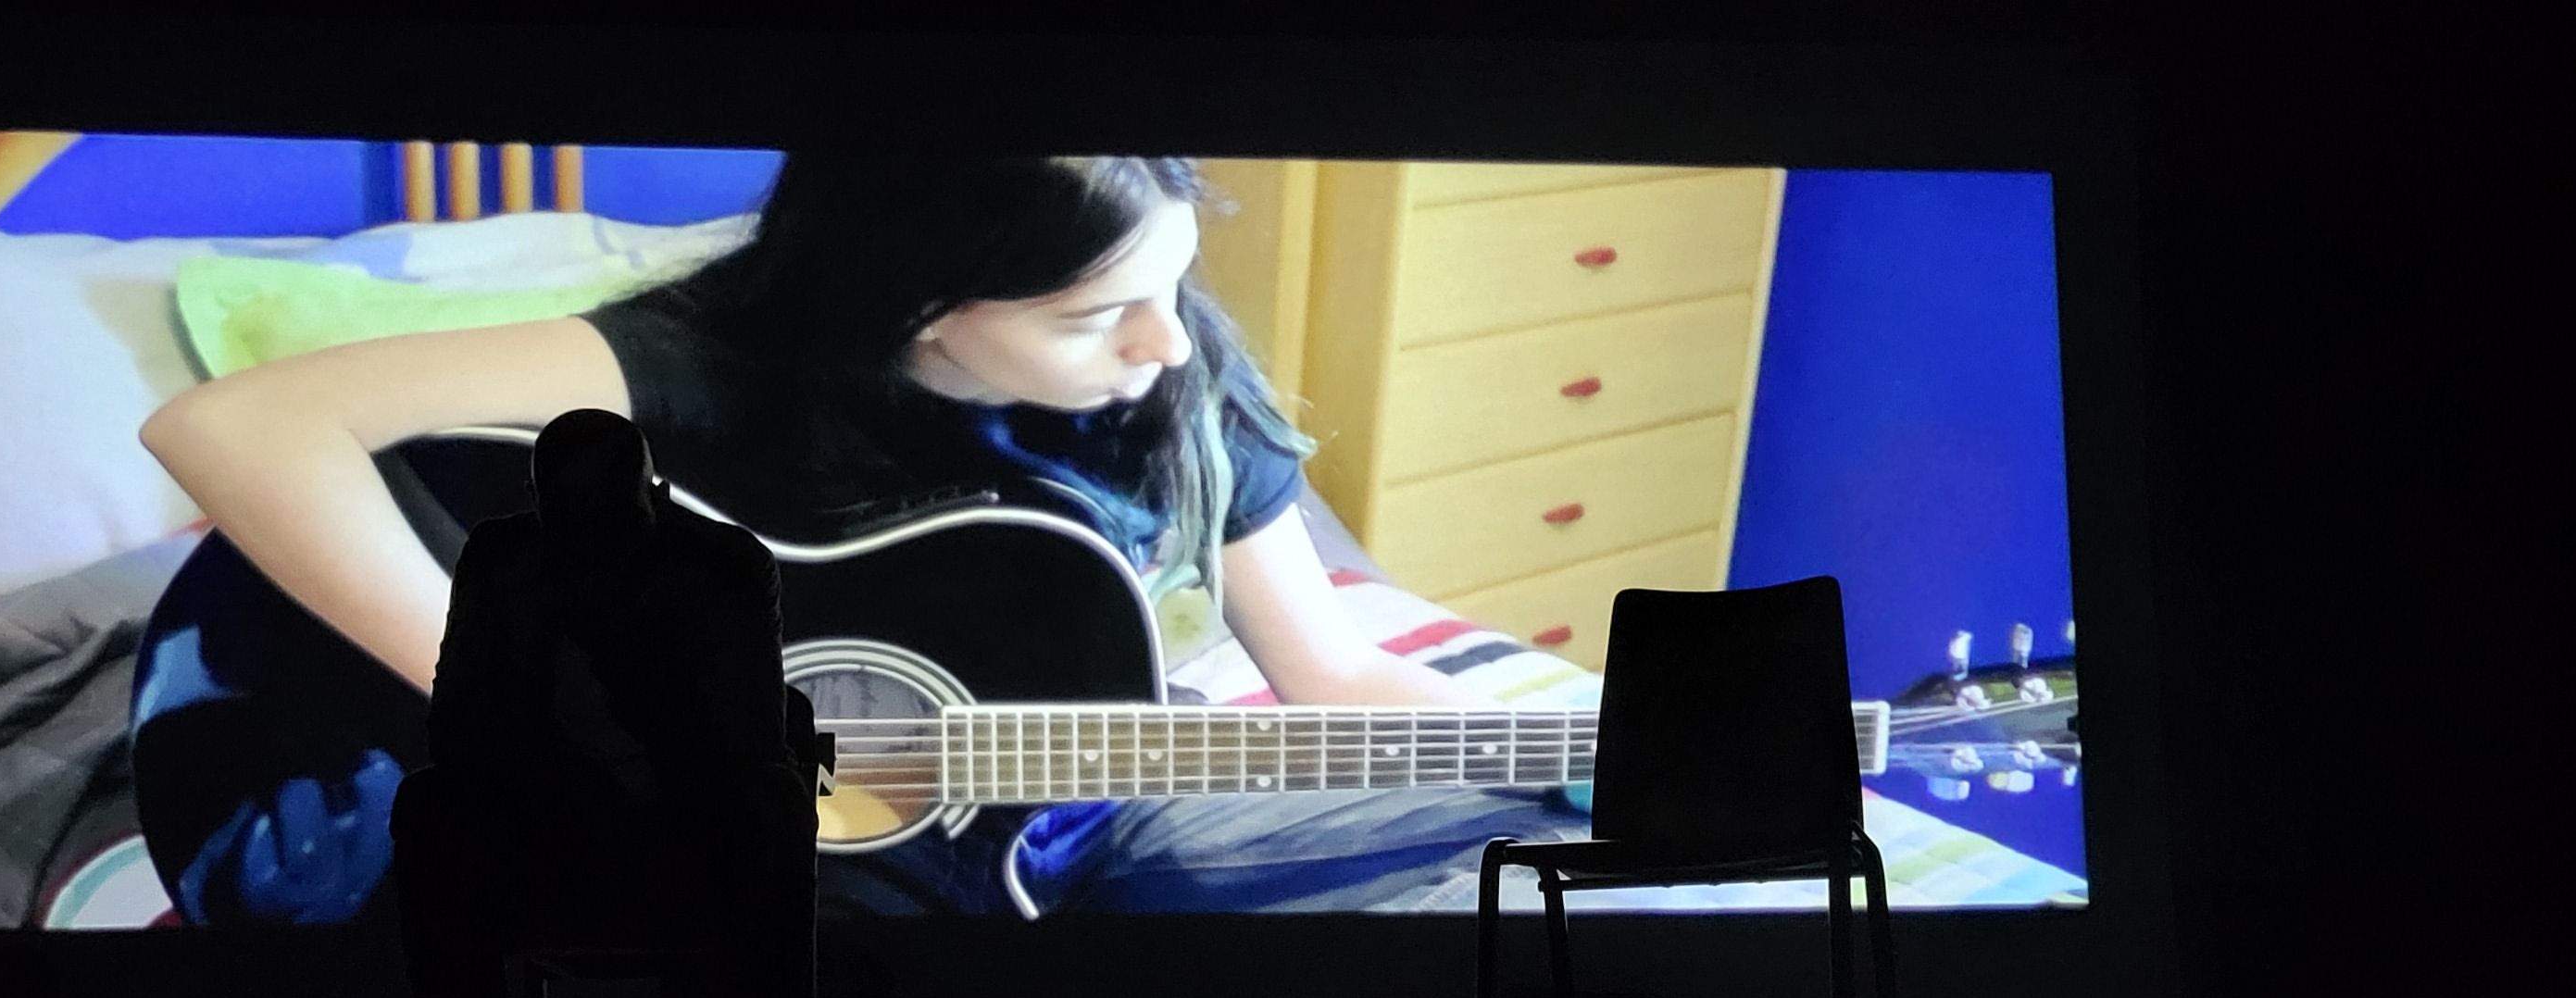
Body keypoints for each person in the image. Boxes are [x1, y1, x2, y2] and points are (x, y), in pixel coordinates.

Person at [139, 154, 1584, 927]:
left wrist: (1560, 744)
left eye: (1176, 283)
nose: (1162, 341)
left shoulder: (1175, 376)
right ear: (920, 304)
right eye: (1091, 317)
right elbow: (230, 432)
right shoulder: (705, 364)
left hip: (1046, 821)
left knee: (1561, 812)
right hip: (556, 828)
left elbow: (1327, 682)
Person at [353, 410, 819, 998]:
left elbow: (745, 734)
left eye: (608, 520)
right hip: (546, 826)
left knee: (766, 803)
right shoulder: (506, 561)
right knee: (430, 807)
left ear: (652, 496)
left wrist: (615, 698)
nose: (591, 548)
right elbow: (458, 721)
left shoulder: (720, 564)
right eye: (570, 522)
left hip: (687, 826)